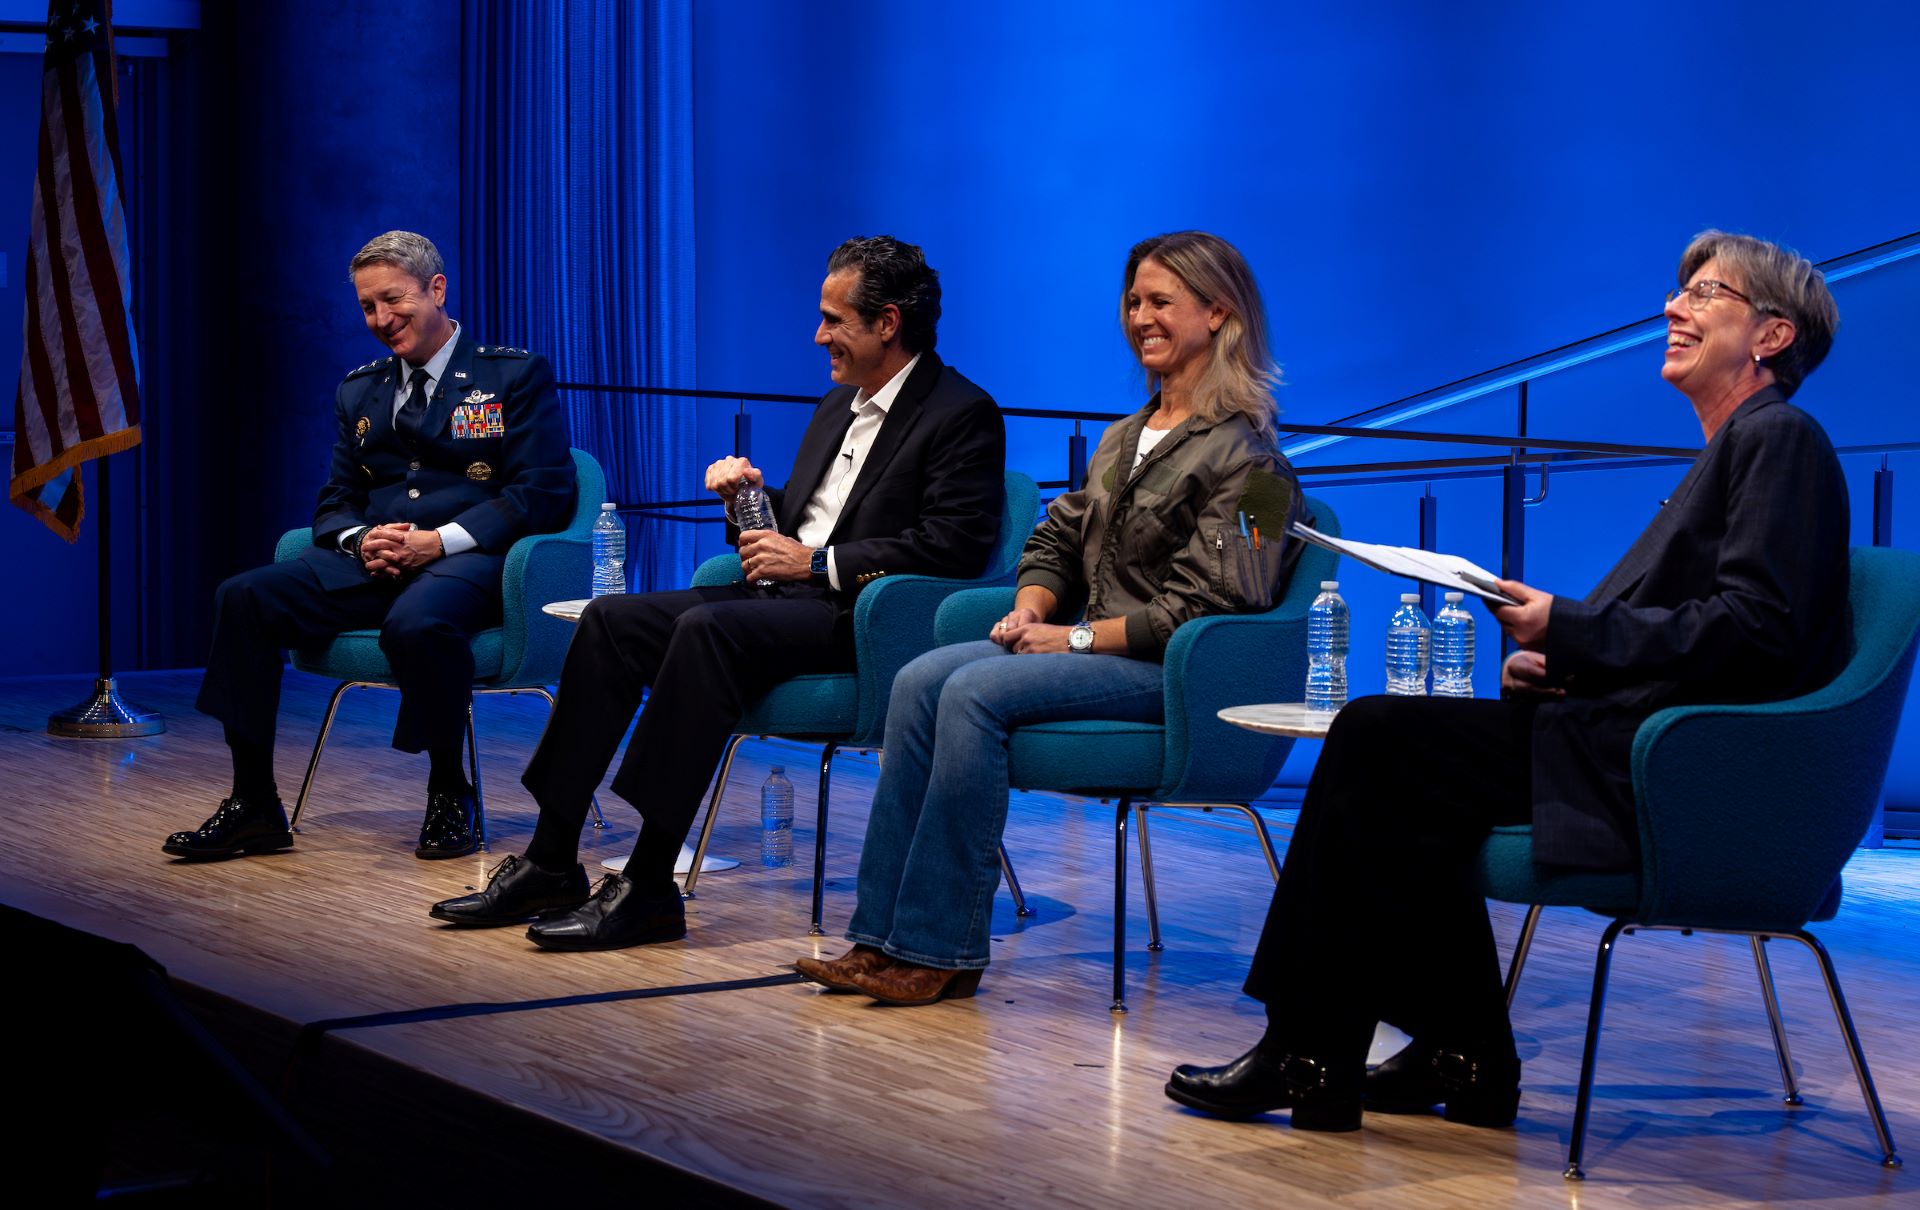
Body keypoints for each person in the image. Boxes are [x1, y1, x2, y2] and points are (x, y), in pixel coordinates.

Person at [1165, 230, 1849, 1133]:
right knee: (1397, 764)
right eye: (1678, 292)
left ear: (1770, 336)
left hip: (1676, 771)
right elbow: (1697, 636)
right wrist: (1560, 661)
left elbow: (1757, 631)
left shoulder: (1780, 440)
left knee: (1380, 738)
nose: (1674, 308)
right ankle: (1458, 1054)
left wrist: (1570, 628)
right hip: (1623, 740)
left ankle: (1315, 1049)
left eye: (1705, 294)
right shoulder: (1737, 451)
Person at [429, 235, 1007, 948]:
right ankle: (551, 858)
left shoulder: (961, 412)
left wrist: (817, 563)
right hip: (784, 603)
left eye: (833, 320)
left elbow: (954, 543)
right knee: (611, 621)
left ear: (887, 322)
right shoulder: (837, 406)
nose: (817, 334)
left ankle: (646, 885)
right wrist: (748, 502)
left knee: (706, 632)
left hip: (861, 619)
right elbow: (801, 521)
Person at [794, 231, 1308, 1006]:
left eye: (1160, 301)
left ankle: (940, 950)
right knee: (923, 677)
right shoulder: (1124, 438)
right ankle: (879, 940)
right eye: (1134, 301)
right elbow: (1057, 536)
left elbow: (1214, 607)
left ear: (1218, 313)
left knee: (971, 691)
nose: (1140, 317)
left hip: (1165, 674)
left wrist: (1065, 636)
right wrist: (1031, 601)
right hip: (1086, 652)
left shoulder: (1256, 462)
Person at [165, 231, 576, 863]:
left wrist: (438, 542)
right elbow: (335, 500)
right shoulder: (359, 390)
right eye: (366, 307)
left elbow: (543, 492)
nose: (380, 321)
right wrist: (361, 539)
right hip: (373, 563)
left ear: (437, 289)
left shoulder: (511, 374)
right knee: (243, 597)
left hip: (467, 564)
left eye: (393, 302)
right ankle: (253, 804)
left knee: (419, 623)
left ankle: (449, 791)